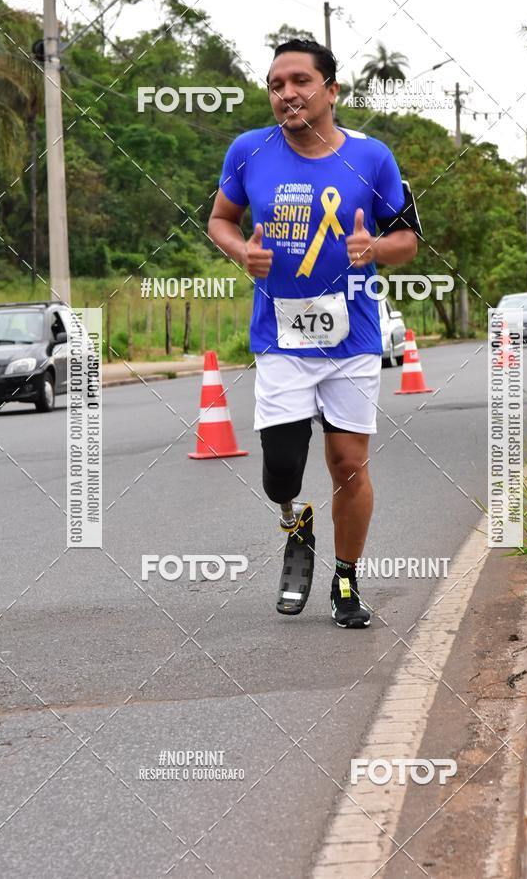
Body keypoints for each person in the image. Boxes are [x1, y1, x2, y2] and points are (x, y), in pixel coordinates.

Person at [208, 39, 420, 628]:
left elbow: (407, 241)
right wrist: (241, 252)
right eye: (276, 85)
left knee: (348, 462)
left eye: (300, 80)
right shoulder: (249, 151)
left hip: (352, 337)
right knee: (281, 469)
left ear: (331, 90)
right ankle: (294, 520)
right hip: (281, 336)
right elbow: (221, 219)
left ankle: (346, 580)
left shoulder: (373, 157)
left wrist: (374, 248)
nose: (287, 93)